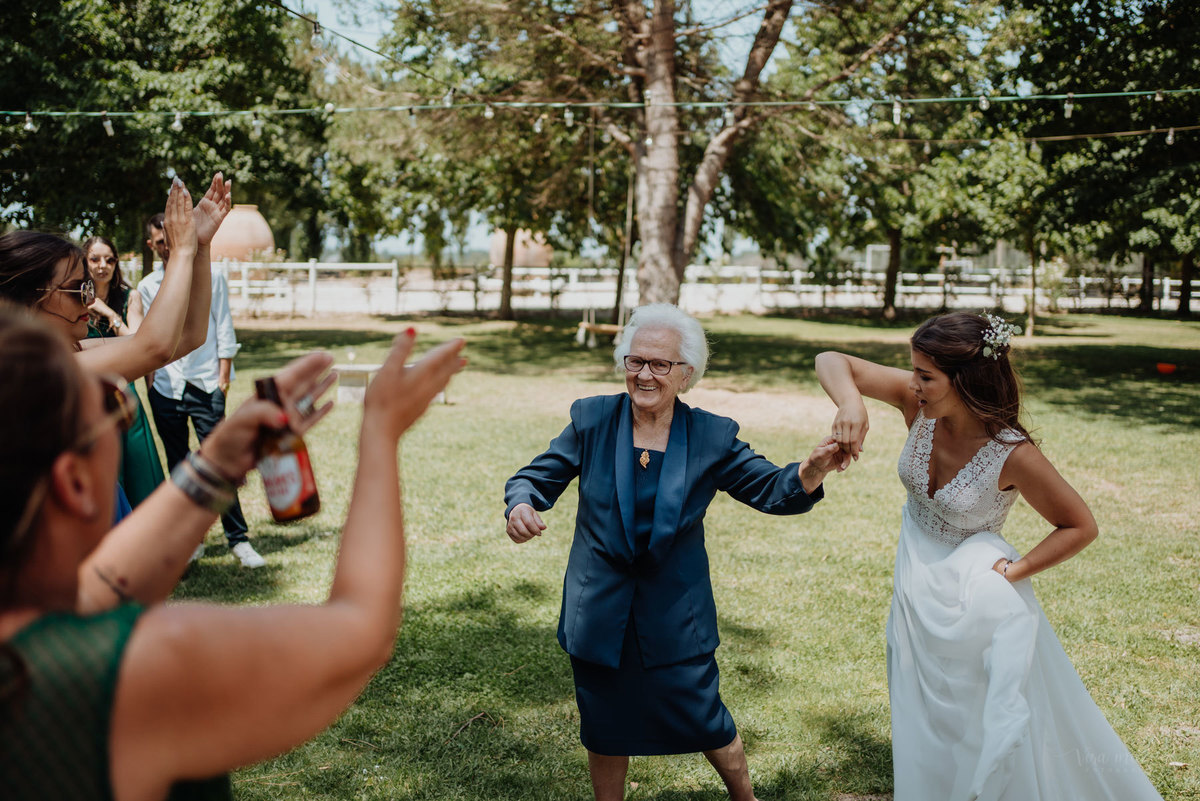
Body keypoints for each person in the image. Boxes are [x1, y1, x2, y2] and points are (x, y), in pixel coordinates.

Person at [0, 304, 466, 800]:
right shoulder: (127, 670)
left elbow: (102, 588)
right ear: (74, 481)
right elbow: (363, 629)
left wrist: (217, 464)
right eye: (114, 407)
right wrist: (381, 429)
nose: (122, 413)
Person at [814, 311, 1163, 800]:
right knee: (919, 706)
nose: (912, 384)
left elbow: (1080, 525)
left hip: (974, 597)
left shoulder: (1011, 453)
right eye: (913, 371)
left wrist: (1014, 572)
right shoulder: (918, 407)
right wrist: (851, 403)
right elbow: (830, 359)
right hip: (915, 581)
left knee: (975, 714)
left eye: (925, 376)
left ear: (967, 379)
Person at [505, 303, 844, 801]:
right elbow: (535, 477)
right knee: (604, 722)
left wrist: (810, 470)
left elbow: (771, 490)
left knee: (704, 714)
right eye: (634, 361)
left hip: (674, 608)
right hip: (598, 605)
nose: (644, 374)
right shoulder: (592, 419)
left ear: (686, 374)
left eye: (659, 365)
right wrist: (521, 504)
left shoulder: (711, 434)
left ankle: (745, 798)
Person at [0, 174, 229, 383]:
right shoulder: (33, 370)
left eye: (87, 286)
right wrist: (180, 251)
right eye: (78, 290)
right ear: (28, 301)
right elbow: (155, 347)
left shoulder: (70, 351)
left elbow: (190, 336)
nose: (90, 301)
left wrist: (199, 246)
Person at [139, 210, 257, 567]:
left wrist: (223, 378)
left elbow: (224, 326)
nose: (166, 247)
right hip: (166, 387)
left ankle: (239, 539)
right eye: (160, 243)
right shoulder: (147, 286)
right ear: (152, 245)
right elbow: (149, 339)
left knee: (219, 463)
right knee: (179, 467)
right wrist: (151, 380)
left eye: (170, 240)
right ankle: (192, 539)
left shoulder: (212, 276)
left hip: (205, 382)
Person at [83, 235, 165, 507]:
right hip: (88, 392)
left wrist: (109, 314)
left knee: (139, 466)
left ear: (116, 263)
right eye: (94, 259)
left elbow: (138, 342)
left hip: (123, 389)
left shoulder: (131, 297)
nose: (102, 265)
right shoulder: (75, 300)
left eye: (109, 259)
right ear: (85, 262)